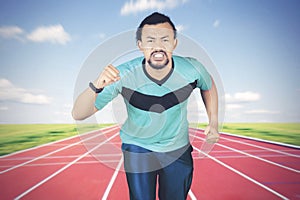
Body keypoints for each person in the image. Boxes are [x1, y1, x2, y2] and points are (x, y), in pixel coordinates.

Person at [72, 12, 219, 200]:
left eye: (165, 40)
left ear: (175, 43)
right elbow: (78, 113)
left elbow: (208, 85)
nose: (158, 46)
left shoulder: (192, 69)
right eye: (150, 40)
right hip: (138, 148)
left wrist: (213, 121)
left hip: (177, 149)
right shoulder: (123, 75)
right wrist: (96, 86)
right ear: (140, 45)